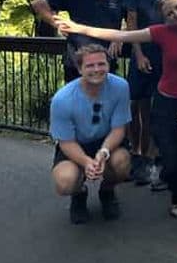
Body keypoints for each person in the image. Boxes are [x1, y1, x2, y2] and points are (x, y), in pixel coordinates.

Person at [56, 0, 177, 218]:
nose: (175, 14)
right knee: (171, 157)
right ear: (165, 18)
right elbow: (121, 34)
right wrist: (79, 28)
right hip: (165, 102)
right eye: (169, 12)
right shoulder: (163, 33)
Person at [123, 0, 177, 186]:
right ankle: (138, 156)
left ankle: (156, 156)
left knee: (160, 108)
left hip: (171, 53)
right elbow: (131, 18)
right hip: (144, 50)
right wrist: (137, 53)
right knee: (136, 104)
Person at [49, 44, 132, 224]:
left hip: (107, 140)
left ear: (108, 65)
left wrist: (103, 153)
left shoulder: (121, 87)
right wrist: (87, 162)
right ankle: (79, 194)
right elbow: (66, 141)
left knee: (122, 163)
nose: (97, 70)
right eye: (90, 66)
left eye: (101, 64)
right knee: (65, 181)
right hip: (76, 144)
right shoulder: (62, 99)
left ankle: (107, 191)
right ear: (79, 69)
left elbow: (119, 129)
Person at [31, 0, 124, 83]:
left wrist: (121, 36)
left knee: (105, 101)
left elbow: (133, 19)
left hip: (107, 62)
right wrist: (56, 23)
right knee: (75, 101)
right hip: (76, 62)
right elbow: (38, 4)